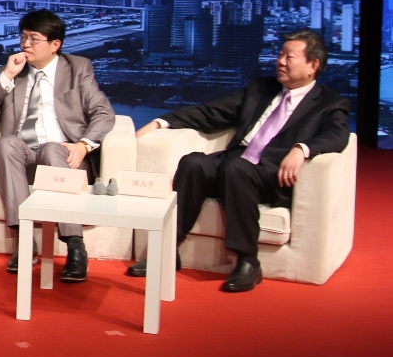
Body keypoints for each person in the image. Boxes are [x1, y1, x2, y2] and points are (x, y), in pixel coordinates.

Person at [129, 30, 350, 292]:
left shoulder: (329, 103)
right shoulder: (261, 88)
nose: (279, 61)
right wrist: (160, 122)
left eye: (289, 57)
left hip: (271, 175)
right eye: (280, 54)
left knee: (236, 168)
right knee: (193, 163)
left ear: (313, 65)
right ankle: (167, 249)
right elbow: (211, 112)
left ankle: (248, 261)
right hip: (234, 163)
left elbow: (338, 135)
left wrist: (302, 148)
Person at [0, 9, 114, 282]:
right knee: (7, 143)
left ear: (55, 44)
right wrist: (7, 75)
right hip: (23, 158)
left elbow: (103, 113)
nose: (25, 44)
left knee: (50, 148)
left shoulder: (77, 68)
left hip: (63, 157)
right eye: (23, 37)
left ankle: (75, 247)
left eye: (34, 39)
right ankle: (24, 241)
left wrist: (83, 145)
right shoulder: (14, 72)